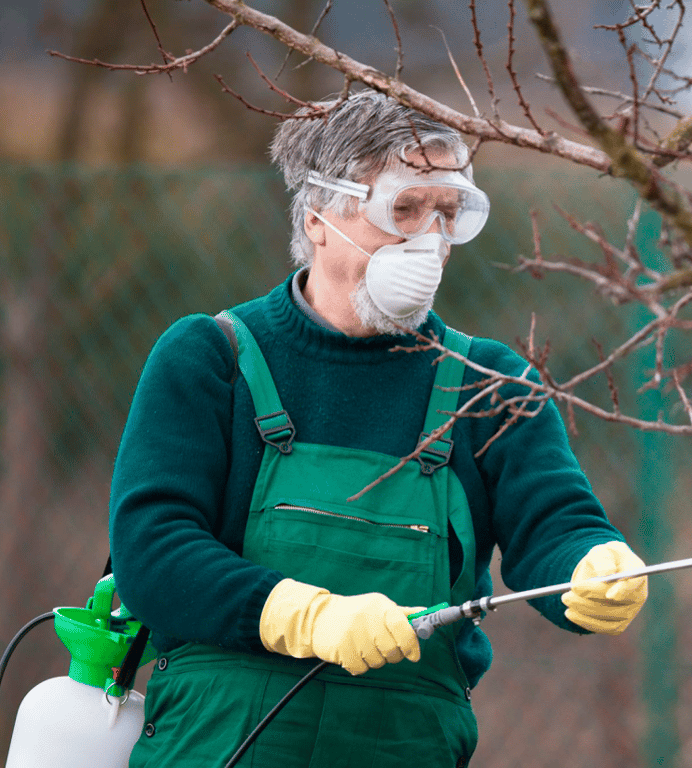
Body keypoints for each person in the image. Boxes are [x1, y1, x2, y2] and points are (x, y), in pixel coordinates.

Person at [108, 90, 649, 768]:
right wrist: (302, 615)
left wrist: (592, 564)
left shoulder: (488, 382)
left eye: (447, 213)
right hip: (221, 744)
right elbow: (151, 552)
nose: (430, 239)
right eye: (404, 208)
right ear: (318, 219)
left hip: (405, 744)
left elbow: (555, 524)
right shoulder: (210, 358)